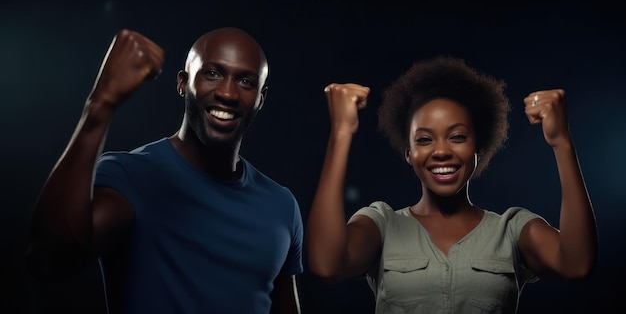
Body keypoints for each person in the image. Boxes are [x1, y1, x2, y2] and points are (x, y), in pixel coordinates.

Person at [27, 28, 303, 314]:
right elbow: (48, 260)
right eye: (212, 74)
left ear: (260, 98)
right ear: (183, 83)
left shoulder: (281, 205)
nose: (227, 92)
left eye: (245, 81)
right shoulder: (132, 176)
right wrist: (100, 105)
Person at [306, 56, 597, 313]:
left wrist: (561, 143)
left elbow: (577, 264)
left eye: (457, 137)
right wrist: (341, 134)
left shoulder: (511, 229)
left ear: (478, 148)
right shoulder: (382, 224)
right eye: (424, 139)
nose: (441, 151)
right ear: (409, 153)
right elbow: (326, 264)